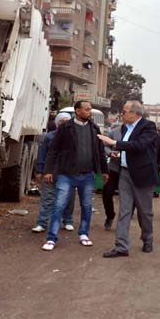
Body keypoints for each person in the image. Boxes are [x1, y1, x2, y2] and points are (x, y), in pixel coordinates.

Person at [42, 101, 108, 251]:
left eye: (90, 109)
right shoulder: (65, 128)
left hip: (87, 175)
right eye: (87, 109)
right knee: (59, 205)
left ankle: (84, 234)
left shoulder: (94, 128)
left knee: (87, 205)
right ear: (78, 111)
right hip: (66, 174)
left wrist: (104, 171)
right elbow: (54, 150)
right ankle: (51, 238)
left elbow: (100, 151)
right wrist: (49, 170)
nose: (90, 112)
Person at [98, 101, 159, 257]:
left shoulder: (148, 127)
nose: (122, 114)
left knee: (144, 212)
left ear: (134, 113)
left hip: (142, 175)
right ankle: (121, 246)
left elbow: (139, 145)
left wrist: (115, 143)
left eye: (124, 111)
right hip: (124, 173)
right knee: (124, 211)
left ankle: (147, 239)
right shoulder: (124, 128)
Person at [32, 112, 75, 233]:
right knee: (47, 198)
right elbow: (42, 154)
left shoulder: (75, 136)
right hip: (50, 172)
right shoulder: (49, 137)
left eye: (66, 121)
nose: (64, 123)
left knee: (68, 198)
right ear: (56, 123)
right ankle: (42, 223)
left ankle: (67, 221)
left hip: (68, 173)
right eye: (61, 121)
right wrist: (40, 170)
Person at [101, 120, 124, 231]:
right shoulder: (114, 132)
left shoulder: (138, 133)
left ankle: (123, 221)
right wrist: (110, 153)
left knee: (128, 197)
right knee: (107, 192)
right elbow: (105, 146)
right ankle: (110, 215)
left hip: (130, 171)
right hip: (114, 169)